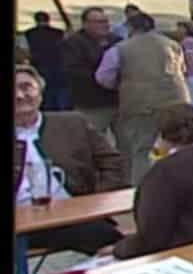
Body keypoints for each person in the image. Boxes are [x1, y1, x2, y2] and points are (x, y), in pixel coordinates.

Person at [14, 65, 127, 255]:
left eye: (26, 87)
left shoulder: (73, 123)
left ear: (40, 91)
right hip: (22, 221)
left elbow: (113, 163)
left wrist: (97, 199)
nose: (19, 95)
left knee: (106, 237)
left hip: (74, 214)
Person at [109, 103, 193, 259]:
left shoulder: (165, 172)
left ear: (161, 135)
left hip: (183, 252)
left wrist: (119, 249)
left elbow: (151, 234)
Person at [95, 13, 191, 186]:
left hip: (141, 104)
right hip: (177, 101)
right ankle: (179, 184)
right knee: (177, 146)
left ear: (130, 28)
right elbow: (183, 70)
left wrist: (122, 86)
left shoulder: (121, 49)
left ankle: (143, 188)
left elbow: (103, 77)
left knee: (142, 150)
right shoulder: (172, 45)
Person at [61, 7, 123, 142]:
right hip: (91, 104)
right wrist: (103, 77)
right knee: (91, 142)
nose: (105, 25)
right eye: (98, 22)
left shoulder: (117, 41)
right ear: (85, 24)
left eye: (106, 21)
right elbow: (74, 71)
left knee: (126, 142)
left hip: (119, 102)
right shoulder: (74, 43)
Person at [24, 11, 69, 111]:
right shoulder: (59, 33)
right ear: (48, 20)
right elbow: (66, 48)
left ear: (35, 20)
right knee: (61, 89)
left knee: (44, 89)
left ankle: (47, 111)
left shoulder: (28, 34)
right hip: (58, 64)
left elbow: (26, 52)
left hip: (39, 65)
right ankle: (63, 111)